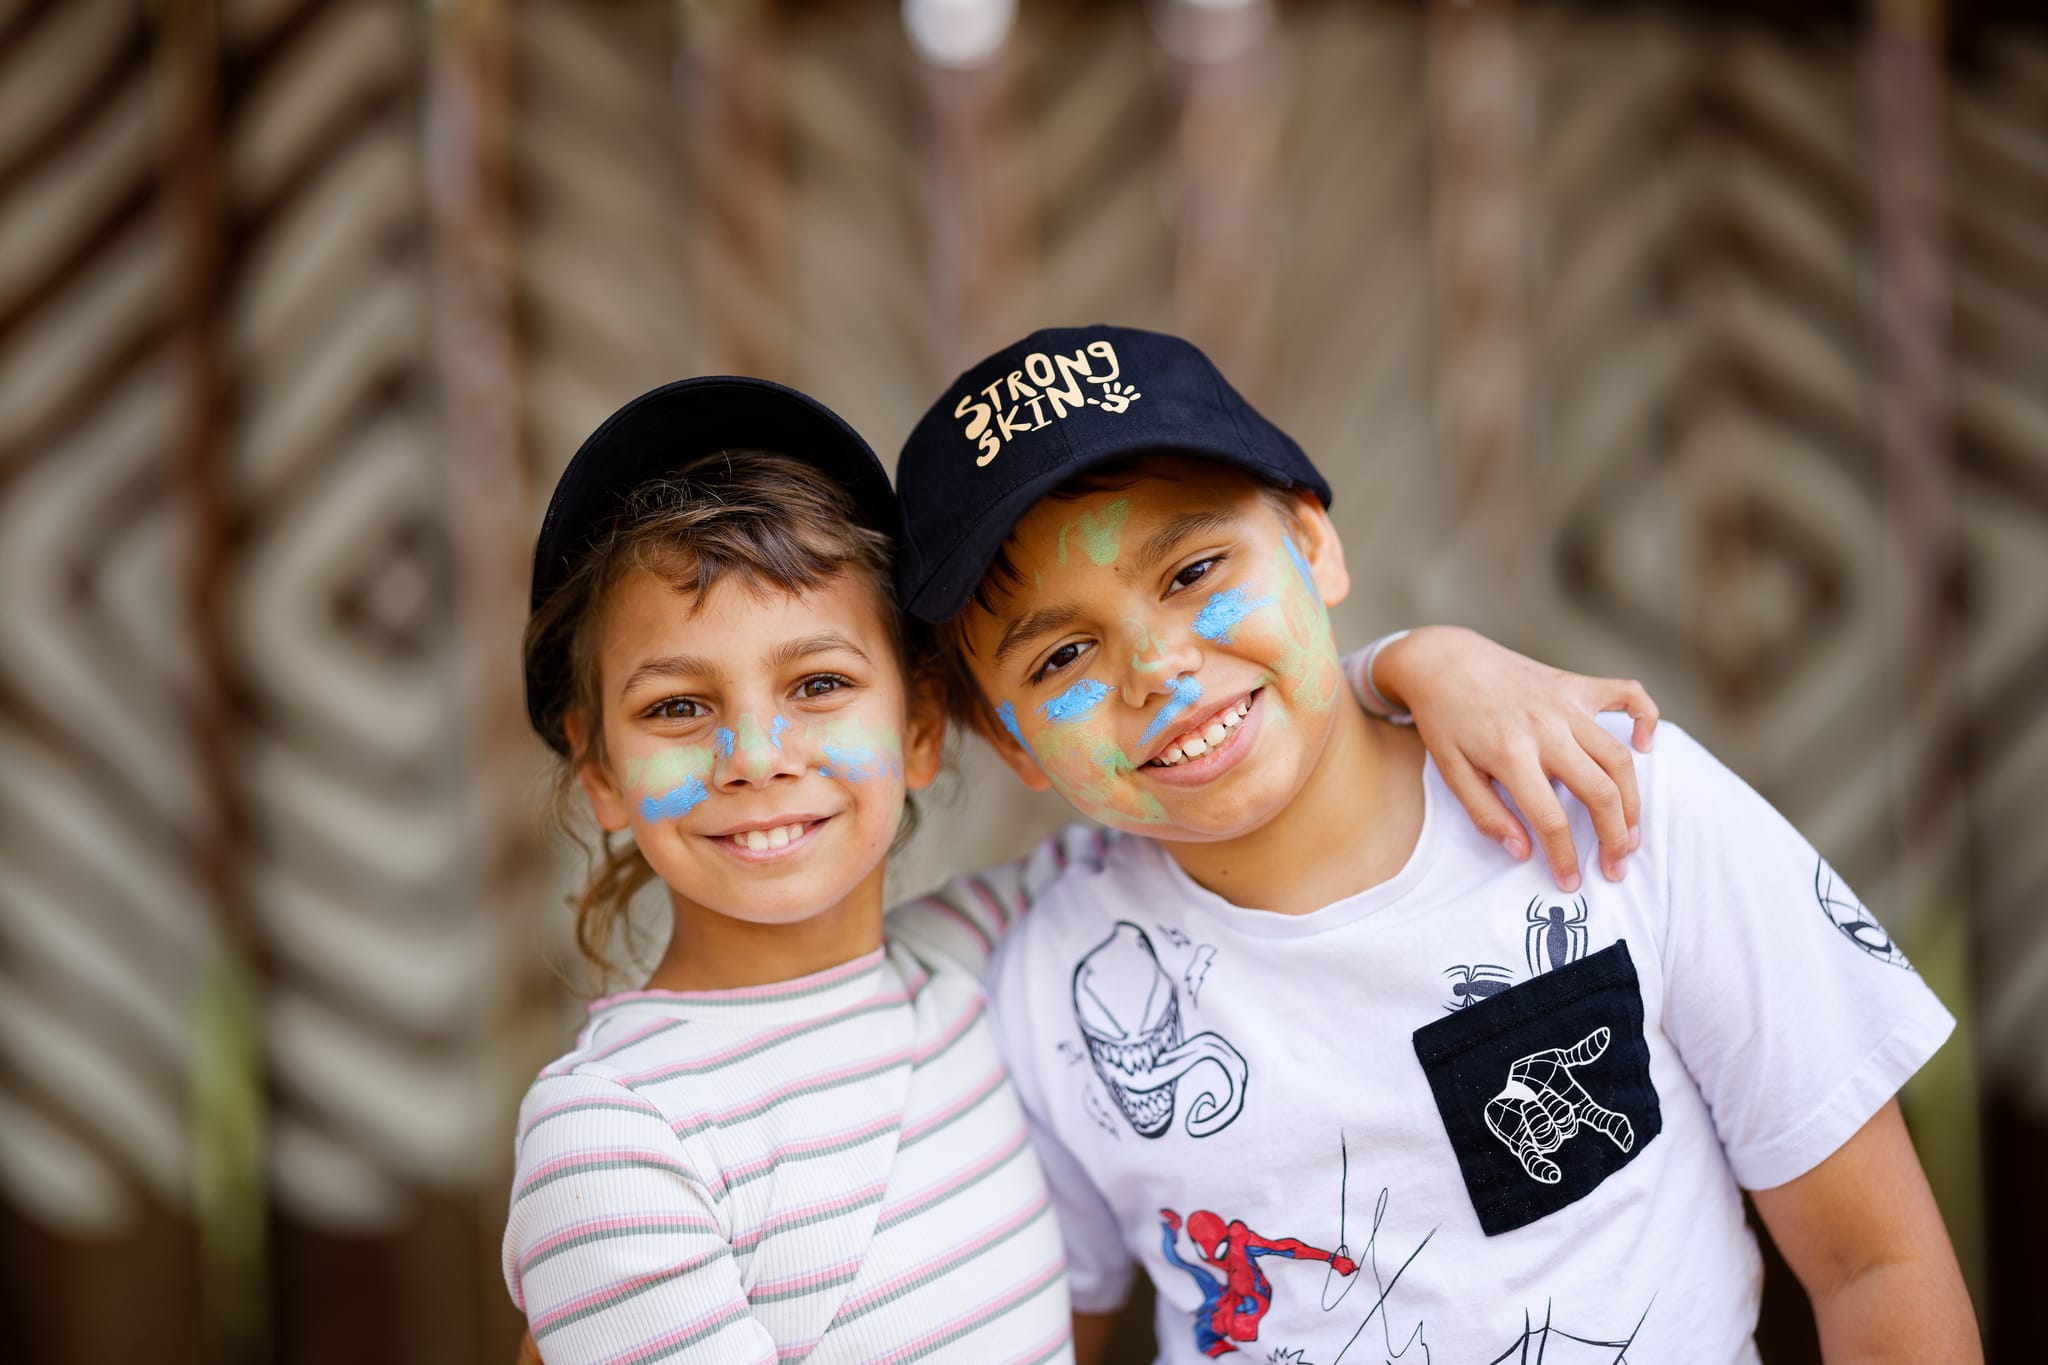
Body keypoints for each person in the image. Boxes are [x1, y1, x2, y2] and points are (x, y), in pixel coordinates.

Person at [503, 376, 1669, 1363]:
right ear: (595, 765)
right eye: (676, 706)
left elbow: (1220, 771)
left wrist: (1421, 665)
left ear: (922, 729)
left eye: (818, 685)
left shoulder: (996, 948)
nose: (757, 756)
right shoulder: (612, 1138)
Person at [890, 325, 1981, 1363]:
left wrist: (1412, 658)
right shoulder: (1051, 990)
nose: (1155, 669)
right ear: (1010, 742)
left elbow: (1871, 1264)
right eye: (1061, 658)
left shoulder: (1603, 797)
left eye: (1193, 574)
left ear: (1313, 545)